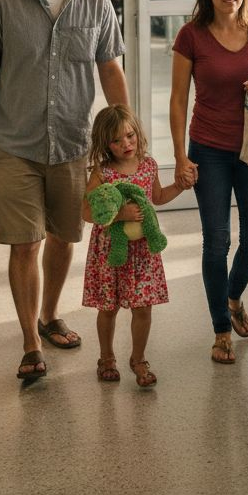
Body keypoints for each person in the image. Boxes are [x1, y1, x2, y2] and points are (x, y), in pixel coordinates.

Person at [0, 0, 129, 381]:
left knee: (64, 236)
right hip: (16, 144)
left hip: (73, 143)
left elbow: (110, 70)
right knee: (26, 242)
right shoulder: (4, 1)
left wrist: (125, 134)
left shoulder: (95, 2)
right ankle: (31, 344)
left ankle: (50, 315)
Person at [169, 0, 248, 365]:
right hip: (209, 150)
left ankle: (233, 296)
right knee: (217, 242)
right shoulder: (191, 36)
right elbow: (178, 100)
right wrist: (180, 157)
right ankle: (220, 329)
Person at [80, 104, 183, 387]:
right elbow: (86, 212)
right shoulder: (103, 173)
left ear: (137, 133)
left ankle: (138, 359)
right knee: (108, 308)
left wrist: (181, 186)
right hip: (111, 251)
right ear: (105, 144)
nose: (126, 144)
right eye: (116, 140)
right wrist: (119, 214)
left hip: (142, 252)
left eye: (130, 136)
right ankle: (106, 357)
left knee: (143, 308)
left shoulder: (148, 166)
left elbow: (158, 197)